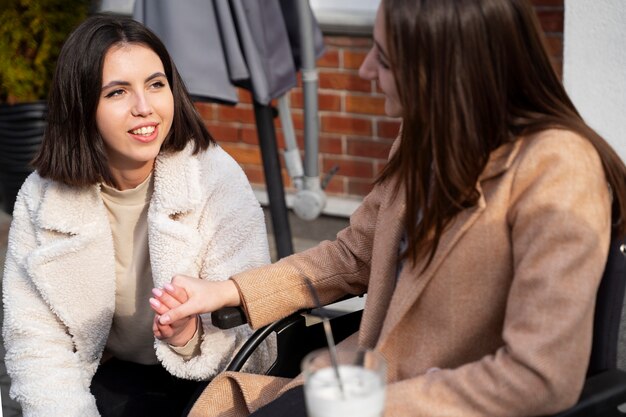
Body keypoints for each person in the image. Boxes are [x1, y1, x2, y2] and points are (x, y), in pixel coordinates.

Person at [151, 0, 626, 416]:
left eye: (384, 57)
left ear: (443, 69)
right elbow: (352, 257)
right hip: (358, 384)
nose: (364, 71)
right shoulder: (425, 138)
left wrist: (368, 406)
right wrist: (226, 292)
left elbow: (538, 377)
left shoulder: (559, 171)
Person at [1, 14, 275, 417]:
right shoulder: (41, 198)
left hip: (204, 381)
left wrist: (189, 336)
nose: (144, 108)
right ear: (81, 106)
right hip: (101, 376)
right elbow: (35, 343)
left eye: (156, 84)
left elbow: (257, 341)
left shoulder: (214, 177)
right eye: (117, 93)